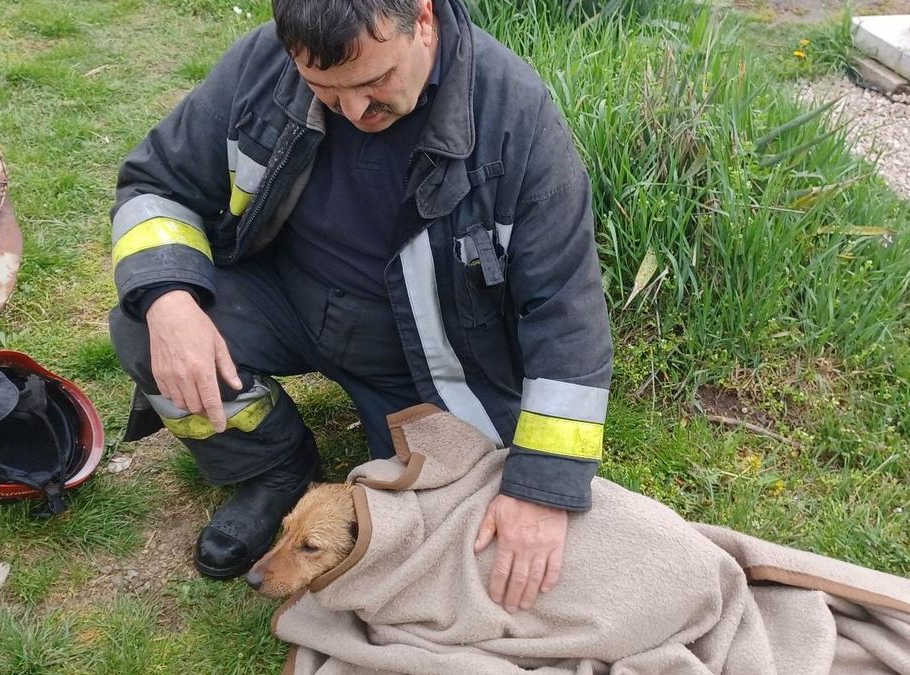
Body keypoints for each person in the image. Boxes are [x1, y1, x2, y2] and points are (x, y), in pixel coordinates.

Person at [108, 0, 612, 614]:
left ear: (423, 19)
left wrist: (543, 488)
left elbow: (567, 311)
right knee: (145, 325)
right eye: (325, 89)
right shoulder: (264, 62)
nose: (353, 111)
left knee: (469, 528)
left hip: (431, 359)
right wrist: (168, 301)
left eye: (374, 82)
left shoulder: (517, 118)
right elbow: (155, 185)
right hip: (285, 301)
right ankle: (272, 468)